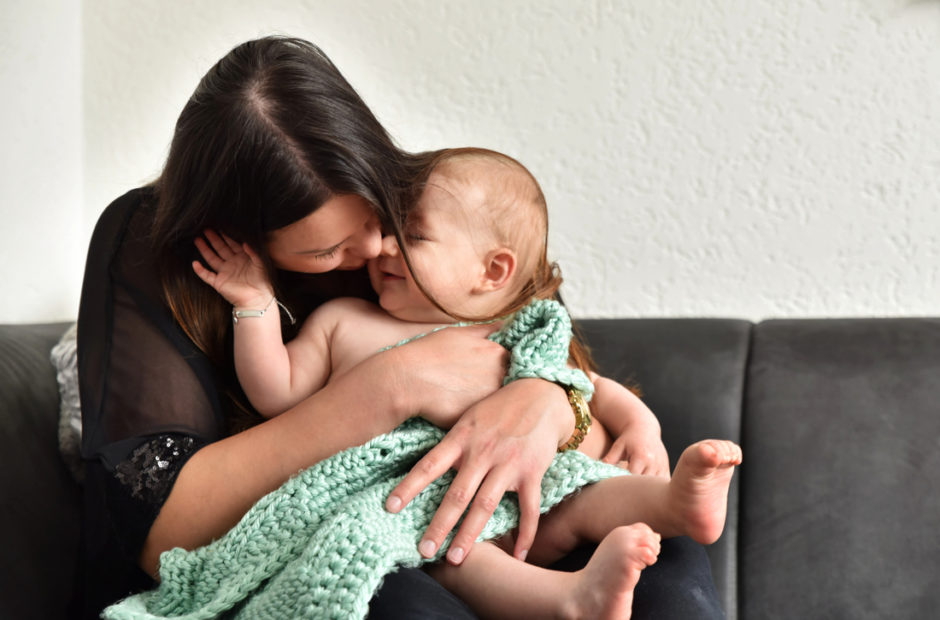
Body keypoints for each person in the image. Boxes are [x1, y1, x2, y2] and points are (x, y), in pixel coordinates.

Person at [75, 35, 725, 618]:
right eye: (327, 251)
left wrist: (548, 404)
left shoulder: (435, 216)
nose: (376, 249)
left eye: (378, 217)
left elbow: (568, 370)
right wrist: (394, 384)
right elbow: (161, 531)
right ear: (242, 237)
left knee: (665, 569)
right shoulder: (173, 256)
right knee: (402, 582)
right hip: (394, 521)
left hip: (536, 496)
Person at [192, 147, 741, 618]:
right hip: (424, 503)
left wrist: (643, 427)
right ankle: (570, 599)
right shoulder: (343, 321)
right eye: (389, 230)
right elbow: (276, 393)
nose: (383, 247)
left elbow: (584, 385)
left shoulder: (510, 330)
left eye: (413, 236)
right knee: (453, 553)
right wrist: (255, 306)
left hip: (532, 488)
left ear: (492, 272)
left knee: (588, 489)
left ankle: (673, 505)